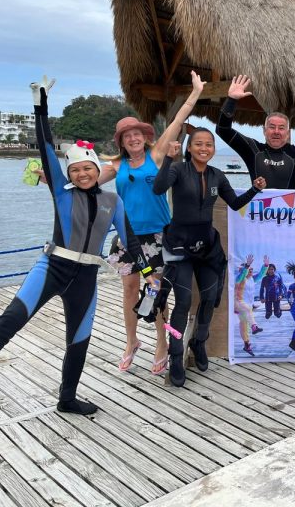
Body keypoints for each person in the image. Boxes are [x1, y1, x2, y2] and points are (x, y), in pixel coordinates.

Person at [0, 77, 155, 415]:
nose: (81, 174)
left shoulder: (113, 201)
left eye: (87, 168)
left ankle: (67, 398)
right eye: (75, 170)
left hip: (86, 277)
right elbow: (46, 148)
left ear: (97, 169)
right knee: (9, 321)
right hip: (52, 268)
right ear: (69, 174)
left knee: (79, 340)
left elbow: (132, 241)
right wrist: (40, 105)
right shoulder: (62, 194)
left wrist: (148, 273)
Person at [102, 70, 206, 375]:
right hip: (127, 237)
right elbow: (85, 178)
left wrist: (195, 92)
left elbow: (178, 121)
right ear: (121, 142)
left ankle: (161, 343)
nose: (133, 138)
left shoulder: (157, 155)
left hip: (158, 236)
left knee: (156, 292)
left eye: (137, 134)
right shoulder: (116, 165)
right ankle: (131, 341)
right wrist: (50, 178)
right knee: (129, 291)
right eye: (127, 136)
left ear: (144, 137)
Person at [153, 128, 266, 387]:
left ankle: (199, 342)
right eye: (198, 144)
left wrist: (254, 189)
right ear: (189, 148)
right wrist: (168, 158)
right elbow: (158, 189)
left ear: (213, 149)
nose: (204, 148)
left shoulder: (217, 175)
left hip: (207, 247)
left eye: (209, 144)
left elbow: (235, 204)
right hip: (179, 246)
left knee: (209, 298)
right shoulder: (178, 169)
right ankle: (176, 354)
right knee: (183, 302)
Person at [216, 75, 295, 189]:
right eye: (272, 127)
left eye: (281, 128)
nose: (276, 131)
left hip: (291, 202)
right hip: (258, 201)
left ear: (288, 133)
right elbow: (222, 130)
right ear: (264, 130)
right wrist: (231, 100)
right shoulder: (253, 150)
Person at [233, 254, 267, 357]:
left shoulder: (252, 279)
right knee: (247, 310)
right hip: (238, 303)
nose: (251, 271)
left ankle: (247, 345)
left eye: (252, 269)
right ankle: (254, 327)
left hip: (247, 306)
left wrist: (265, 266)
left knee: (243, 325)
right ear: (244, 270)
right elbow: (242, 274)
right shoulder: (239, 279)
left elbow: (261, 274)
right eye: (249, 269)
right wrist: (246, 266)